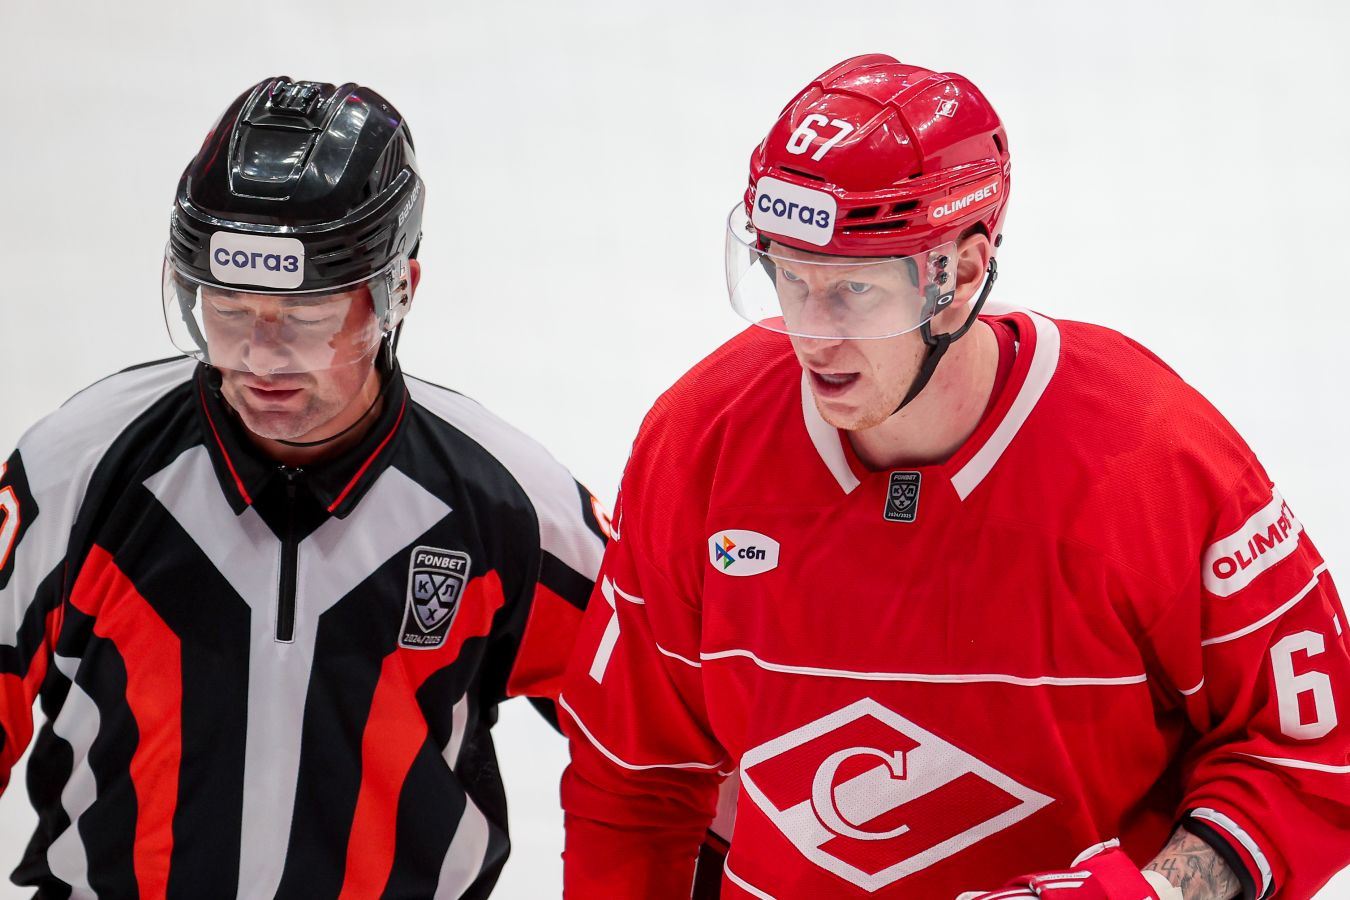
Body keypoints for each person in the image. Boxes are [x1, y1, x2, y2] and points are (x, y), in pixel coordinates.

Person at [558, 54, 1350, 900]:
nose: (811, 336)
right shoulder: (702, 441)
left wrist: (1154, 895)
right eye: (789, 278)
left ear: (964, 274)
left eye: (854, 289)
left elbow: (1312, 754)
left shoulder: (1147, 455)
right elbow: (628, 785)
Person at [0, 77, 606, 898]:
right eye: (228, 311)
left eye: (307, 317)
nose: (260, 357)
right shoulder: (73, 470)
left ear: (400, 291)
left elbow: (660, 739)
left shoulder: (509, 500)